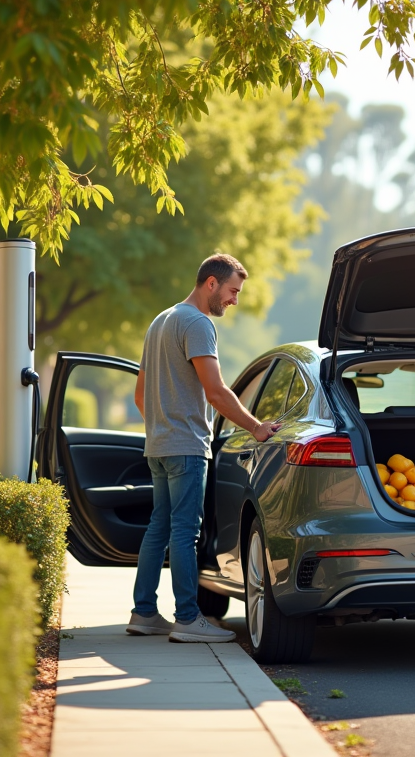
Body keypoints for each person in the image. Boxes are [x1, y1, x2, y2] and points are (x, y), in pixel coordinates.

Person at [127, 254, 281, 643]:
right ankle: (187, 618)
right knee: (184, 531)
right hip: (185, 448)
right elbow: (215, 392)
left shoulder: (160, 321)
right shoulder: (198, 323)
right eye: (232, 291)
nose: (234, 300)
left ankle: (143, 613)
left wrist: (162, 428)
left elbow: (140, 395)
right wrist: (257, 427)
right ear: (210, 283)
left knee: (158, 528)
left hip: (159, 445)